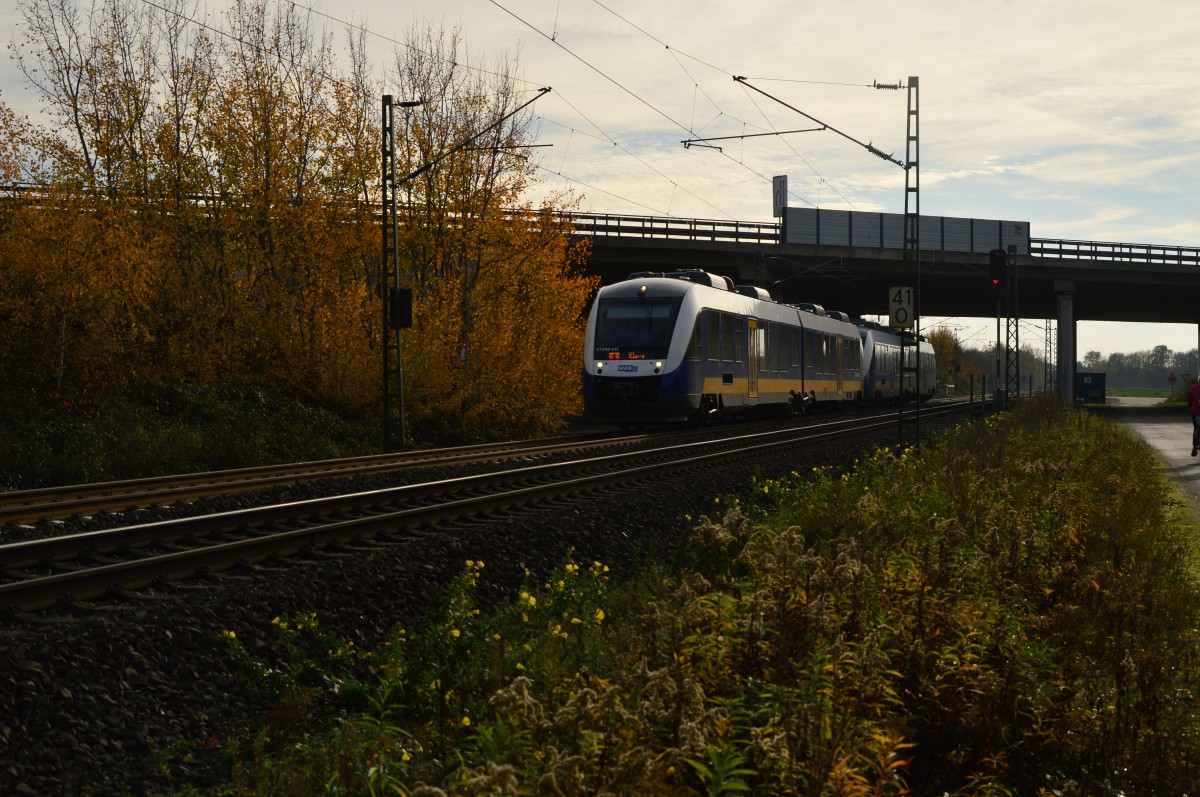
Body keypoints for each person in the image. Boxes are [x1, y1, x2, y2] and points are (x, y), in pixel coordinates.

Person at [1188, 376, 1200, 456]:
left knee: (1197, 428)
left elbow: (1189, 397)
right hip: (1196, 411)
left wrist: (1190, 405)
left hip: (1196, 411)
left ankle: (1195, 447)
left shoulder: (1194, 387)